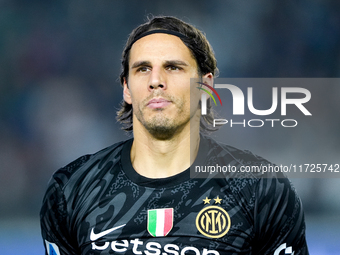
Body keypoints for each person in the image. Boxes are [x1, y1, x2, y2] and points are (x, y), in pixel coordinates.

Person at [40, 16, 309, 255]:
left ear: (205, 86)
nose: (156, 80)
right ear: (127, 89)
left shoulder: (261, 189)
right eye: (143, 68)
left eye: (173, 67)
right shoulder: (71, 189)